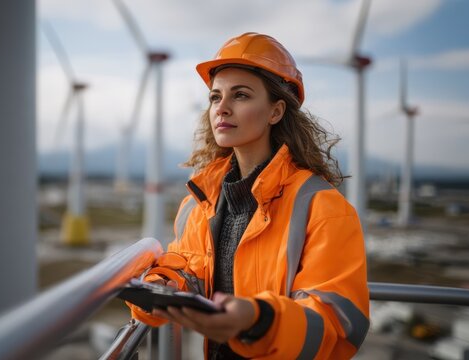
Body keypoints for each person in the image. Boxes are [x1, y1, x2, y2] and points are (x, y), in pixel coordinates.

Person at [127, 32, 369, 359]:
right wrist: (162, 286)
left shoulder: (323, 207)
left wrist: (258, 321)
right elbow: (188, 270)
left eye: (240, 95)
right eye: (215, 97)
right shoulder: (198, 203)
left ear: (275, 111)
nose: (221, 108)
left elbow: (337, 327)